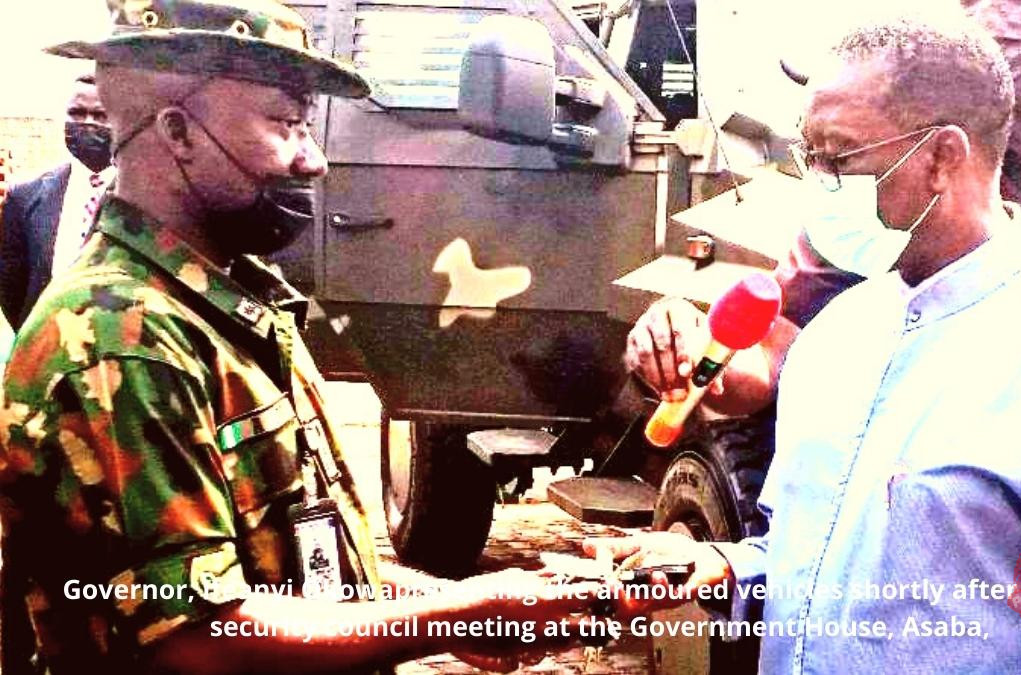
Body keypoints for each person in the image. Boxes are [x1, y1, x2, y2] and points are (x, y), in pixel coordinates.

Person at [0, 2, 596, 674]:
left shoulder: (229, 305)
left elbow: (303, 568)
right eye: (286, 124)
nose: (312, 160)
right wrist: (457, 614)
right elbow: (198, 638)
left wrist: (459, 604)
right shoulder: (119, 338)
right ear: (177, 131)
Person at [603, 7, 1021, 672]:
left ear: (941, 157)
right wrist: (729, 568)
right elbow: (828, 553)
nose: (820, 181)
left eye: (839, 157)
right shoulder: (835, 339)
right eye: (810, 154)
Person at [0, 72, 116, 331]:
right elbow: (11, 288)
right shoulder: (24, 197)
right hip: (46, 353)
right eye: (76, 113)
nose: (87, 124)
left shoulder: (142, 196)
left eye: (100, 116)